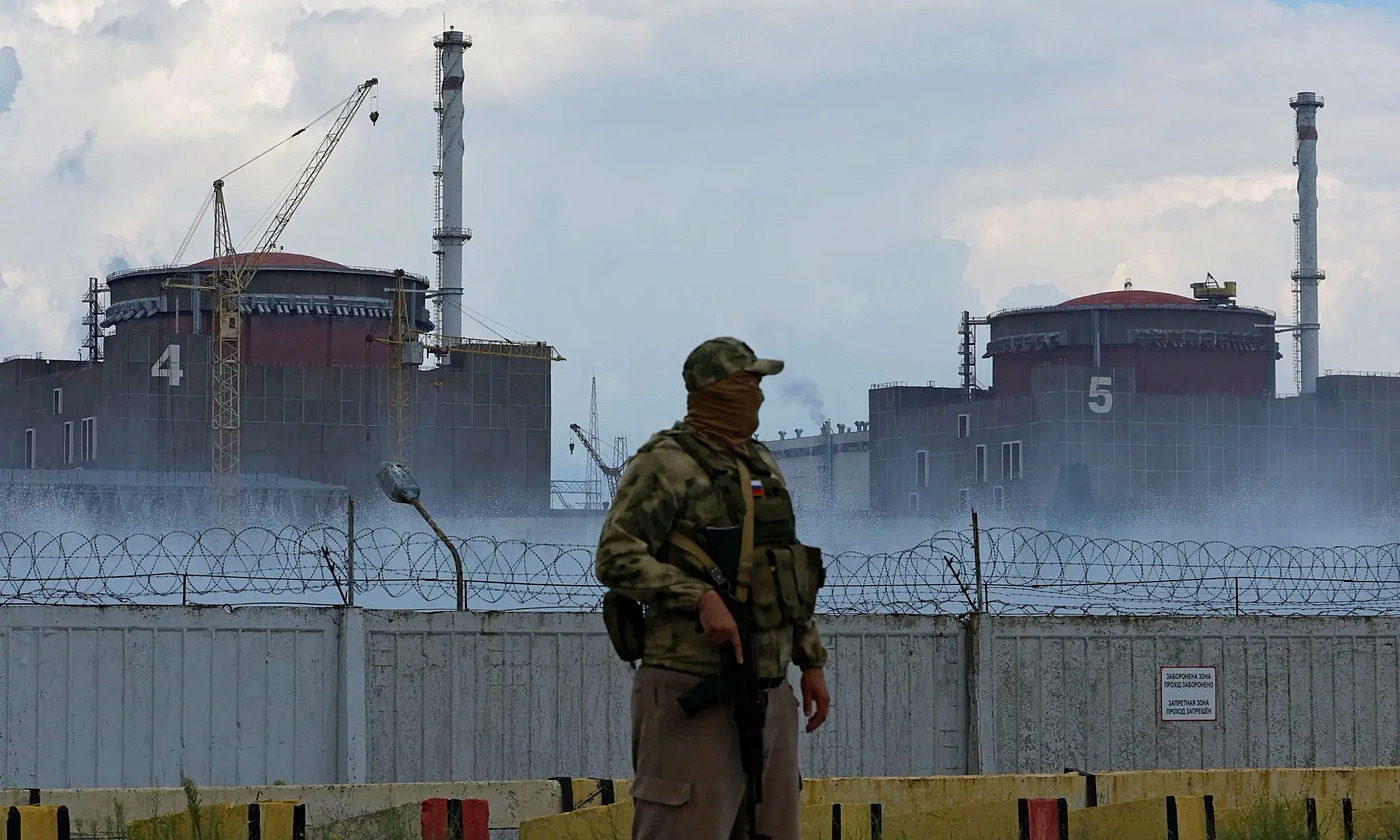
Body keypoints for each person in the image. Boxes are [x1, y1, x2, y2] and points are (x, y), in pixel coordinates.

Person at [595, 336, 830, 840]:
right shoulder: (664, 464)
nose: (759, 397)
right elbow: (616, 556)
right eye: (748, 384)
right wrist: (696, 595)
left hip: (769, 693)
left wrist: (810, 661)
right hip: (691, 690)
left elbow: (784, 567)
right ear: (717, 392)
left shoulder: (762, 464)